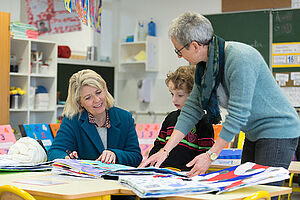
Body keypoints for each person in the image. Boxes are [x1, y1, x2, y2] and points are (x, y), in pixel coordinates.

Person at [140, 11, 300, 184]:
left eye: (179, 50)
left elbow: (238, 115)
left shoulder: (240, 59)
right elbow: (191, 111)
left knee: (265, 191)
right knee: (245, 189)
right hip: (253, 133)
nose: (179, 56)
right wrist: (165, 150)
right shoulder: (205, 69)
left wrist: (210, 155)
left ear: (194, 46)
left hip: (277, 130)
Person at [48, 69, 142, 167]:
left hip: (117, 180)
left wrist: (115, 154)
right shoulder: (72, 120)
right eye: (88, 98)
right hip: (86, 180)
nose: (97, 100)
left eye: (98, 92)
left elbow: (136, 157)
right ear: (80, 102)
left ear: (105, 89)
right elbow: (54, 152)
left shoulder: (124, 118)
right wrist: (66, 159)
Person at [148, 65, 214, 171]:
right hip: (162, 172)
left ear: (194, 94)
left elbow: (203, 155)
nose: (174, 100)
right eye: (172, 94)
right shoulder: (170, 118)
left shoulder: (204, 122)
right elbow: (158, 145)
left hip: (186, 175)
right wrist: (151, 164)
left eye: (180, 95)